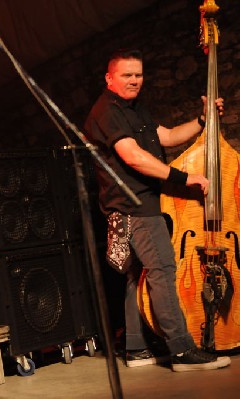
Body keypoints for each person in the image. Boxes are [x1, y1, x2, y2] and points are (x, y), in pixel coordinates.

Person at [84, 49, 231, 372]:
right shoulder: (107, 111)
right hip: (134, 207)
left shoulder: (134, 110)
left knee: (136, 278)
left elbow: (165, 137)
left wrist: (202, 120)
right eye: (127, 75)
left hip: (134, 207)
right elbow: (133, 156)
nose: (134, 80)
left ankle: (136, 348)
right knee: (163, 271)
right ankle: (181, 351)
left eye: (138, 74)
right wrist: (185, 178)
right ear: (110, 78)